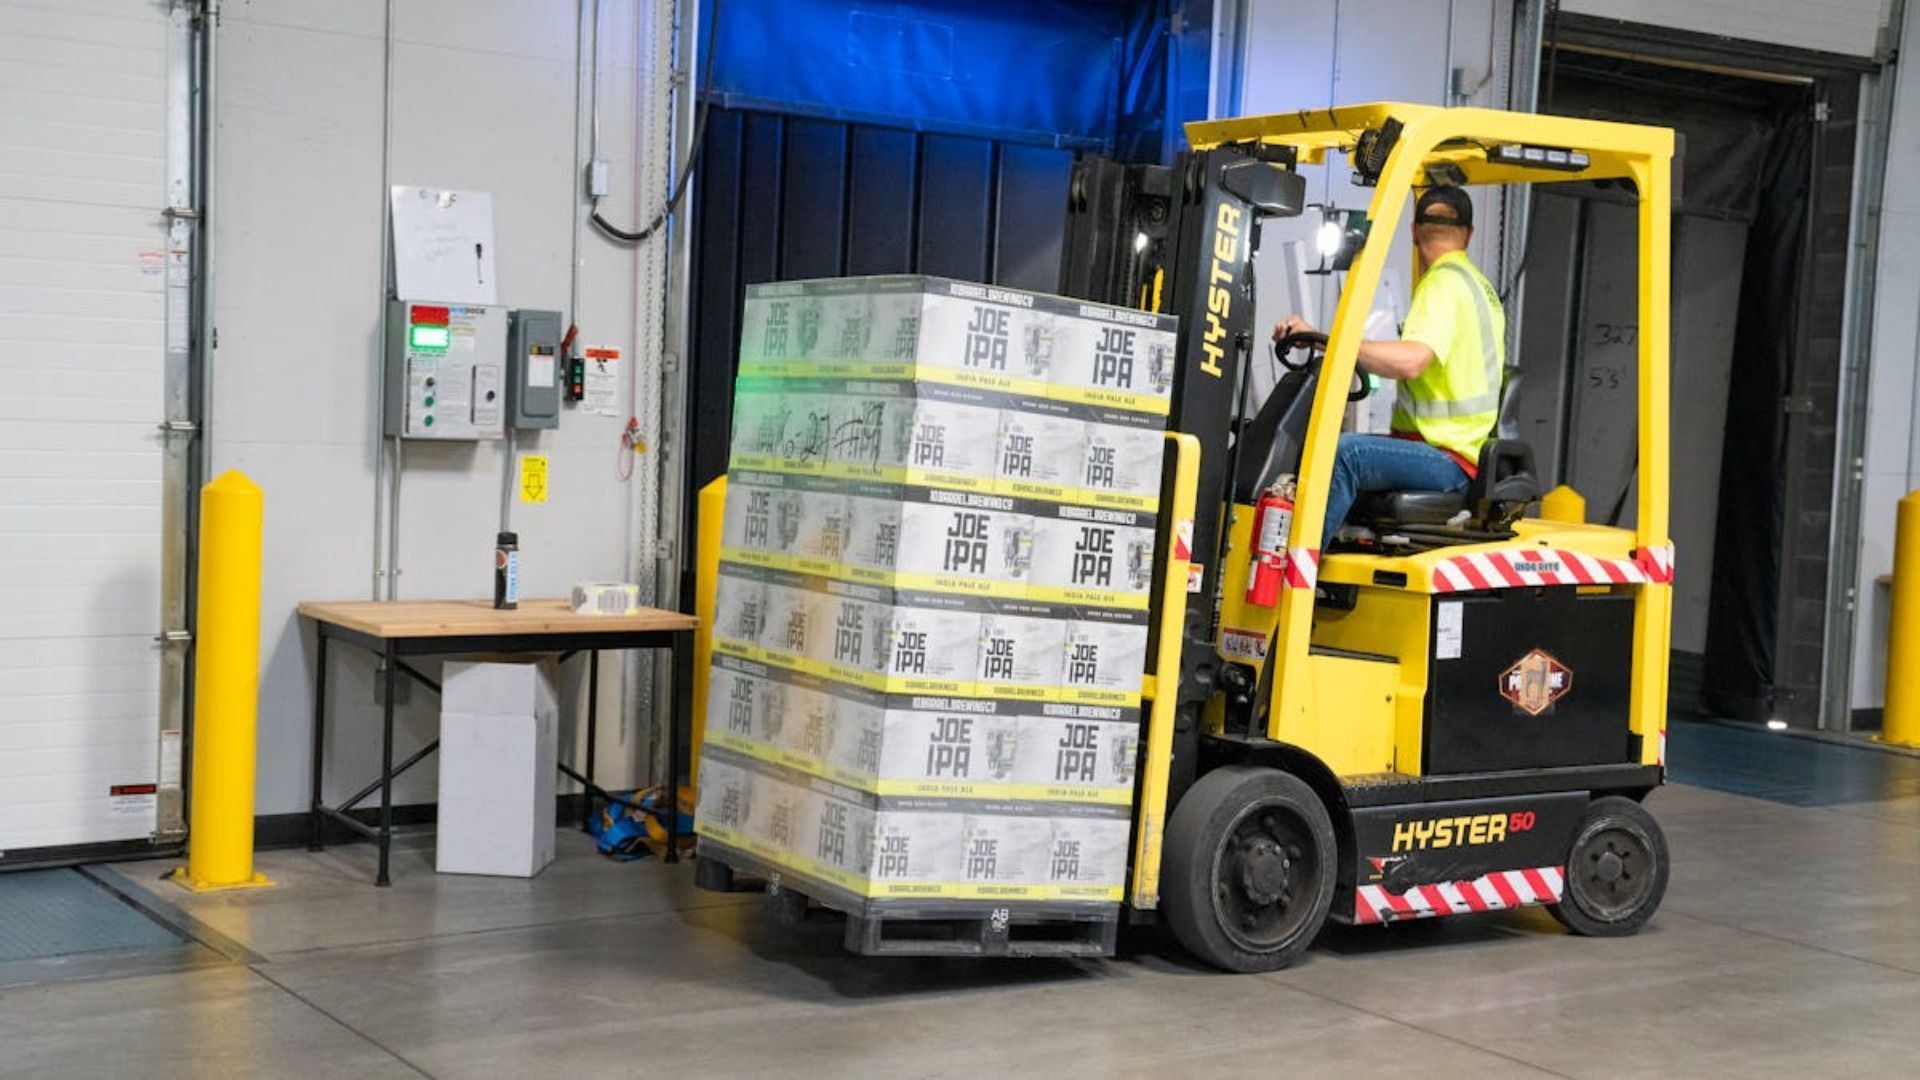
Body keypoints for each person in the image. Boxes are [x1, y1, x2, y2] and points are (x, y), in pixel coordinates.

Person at [1273, 185, 1506, 541]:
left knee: (1342, 454)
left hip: (1447, 459)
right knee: (1338, 448)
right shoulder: (1477, 286)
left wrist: (1334, 343)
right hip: (1455, 452)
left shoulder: (1443, 283)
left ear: (1413, 231)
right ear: (1468, 234)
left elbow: (1412, 361)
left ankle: (1297, 578)